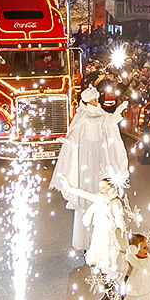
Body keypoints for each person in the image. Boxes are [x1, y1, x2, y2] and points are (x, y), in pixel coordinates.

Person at [51, 85, 129, 252]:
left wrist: (120, 109)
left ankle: (104, 237)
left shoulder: (100, 114)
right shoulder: (82, 116)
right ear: (86, 101)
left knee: (101, 187)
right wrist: (67, 141)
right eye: (93, 100)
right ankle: (86, 240)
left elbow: (111, 121)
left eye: (96, 99)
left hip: (100, 153)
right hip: (86, 154)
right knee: (87, 191)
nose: (95, 102)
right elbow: (74, 135)